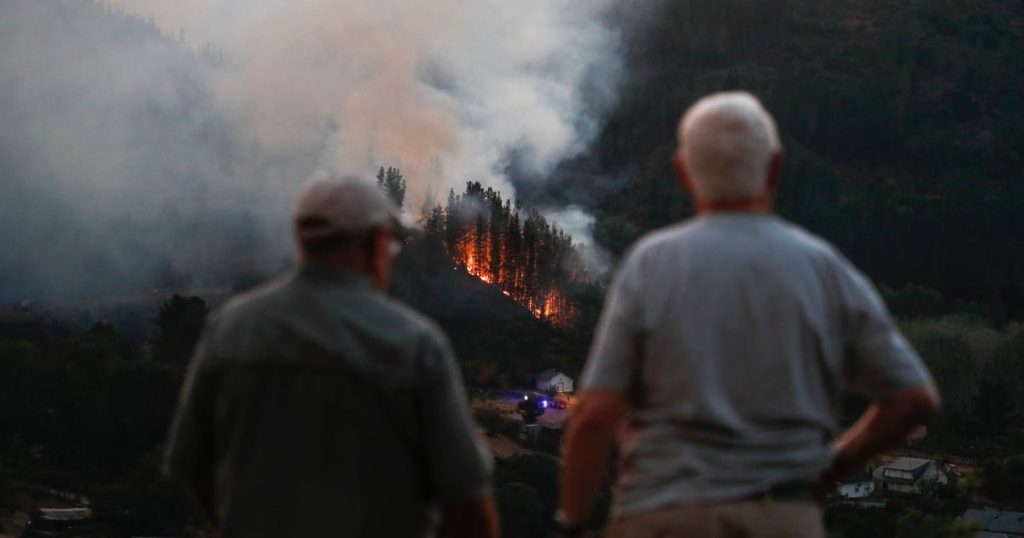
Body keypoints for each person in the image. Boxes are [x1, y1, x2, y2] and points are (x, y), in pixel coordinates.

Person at [557, 92, 940, 537]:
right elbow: (914, 400)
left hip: (662, 514)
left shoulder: (652, 263)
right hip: (780, 517)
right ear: (775, 167)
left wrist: (573, 522)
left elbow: (596, 415)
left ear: (683, 172)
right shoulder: (822, 266)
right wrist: (831, 468)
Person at [164, 175, 498, 537]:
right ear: (374, 243)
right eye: (390, 248)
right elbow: (466, 500)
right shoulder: (414, 344)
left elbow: (189, 464)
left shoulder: (230, 329)